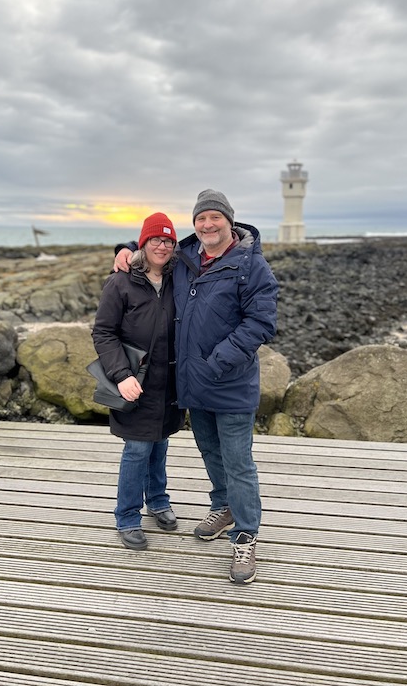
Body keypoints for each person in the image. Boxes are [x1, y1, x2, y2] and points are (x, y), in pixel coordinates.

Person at [114, 190, 279, 582]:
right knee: (209, 451)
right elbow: (152, 255)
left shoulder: (251, 265)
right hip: (195, 385)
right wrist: (123, 248)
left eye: (214, 218)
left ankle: (245, 536)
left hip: (231, 383)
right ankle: (224, 507)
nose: (207, 225)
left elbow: (260, 324)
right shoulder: (186, 259)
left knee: (239, 463)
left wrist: (216, 361)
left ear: (229, 221)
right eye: (201, 219)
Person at [93, 212, 185, 551]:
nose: (162, 246)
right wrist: (121, 375)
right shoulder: (120, 282)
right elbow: (103, 332)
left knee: (160, 442)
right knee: (136, 449)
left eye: (168, 240)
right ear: (143, 244)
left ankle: (158, 500)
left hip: (169, 381)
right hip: (134, 380)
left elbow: (204, 245)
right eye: (154, 240)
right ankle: (127, 516)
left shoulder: (180, 277)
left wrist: (126, 246)